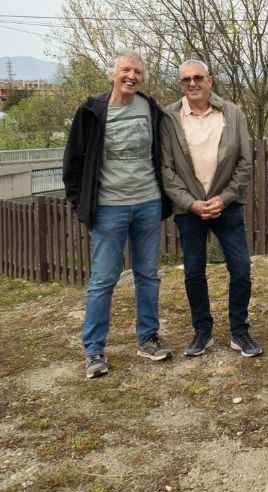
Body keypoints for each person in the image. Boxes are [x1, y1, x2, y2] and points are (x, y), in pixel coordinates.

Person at [62, 47, 173, 378]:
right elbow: (73, 161)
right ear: (112, 74)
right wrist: (79, 202)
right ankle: (94, 350)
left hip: (148, 204)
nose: (131, 76)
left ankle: (148, 339)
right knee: (103, 279)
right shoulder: (92, 110)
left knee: (148, 274)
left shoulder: (150, 109)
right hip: (109, 208)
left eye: (137, 72)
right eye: (126, 70)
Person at [160, 59, 262, 358]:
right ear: (180, 84)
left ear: (210, 80)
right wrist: (191, 202)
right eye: (185, 80)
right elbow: (165, 168)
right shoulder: (169, 117)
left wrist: (225, 197)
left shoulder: (232, 113)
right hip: (189, 209)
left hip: (226, 206)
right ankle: (202, 331)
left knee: (241, 268)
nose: (192, 83)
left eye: (198, 78)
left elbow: (245, 164)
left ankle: (239, 331)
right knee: (193, 271)